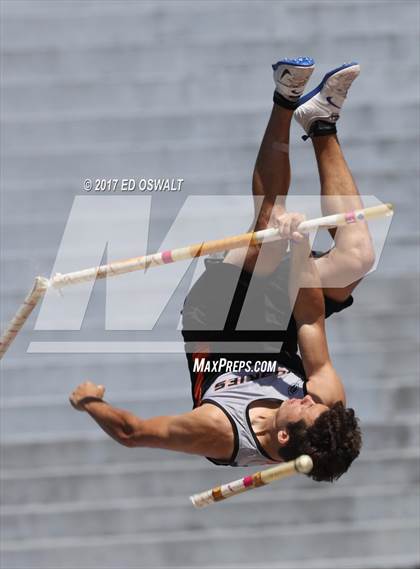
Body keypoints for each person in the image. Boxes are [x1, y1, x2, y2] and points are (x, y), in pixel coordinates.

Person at [70, 58, 375, 482]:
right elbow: (308, 317)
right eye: (315, 401)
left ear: (284, 437)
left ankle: (285, 96)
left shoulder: (219, 431)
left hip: (216, 323)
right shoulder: (324, 405)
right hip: (282, 326)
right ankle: (321, 122)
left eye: (305, 405)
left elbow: (132, 432)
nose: (309, 398)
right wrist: (300, 248)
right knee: (358, 256)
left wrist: (89, 402)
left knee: (268, 229)